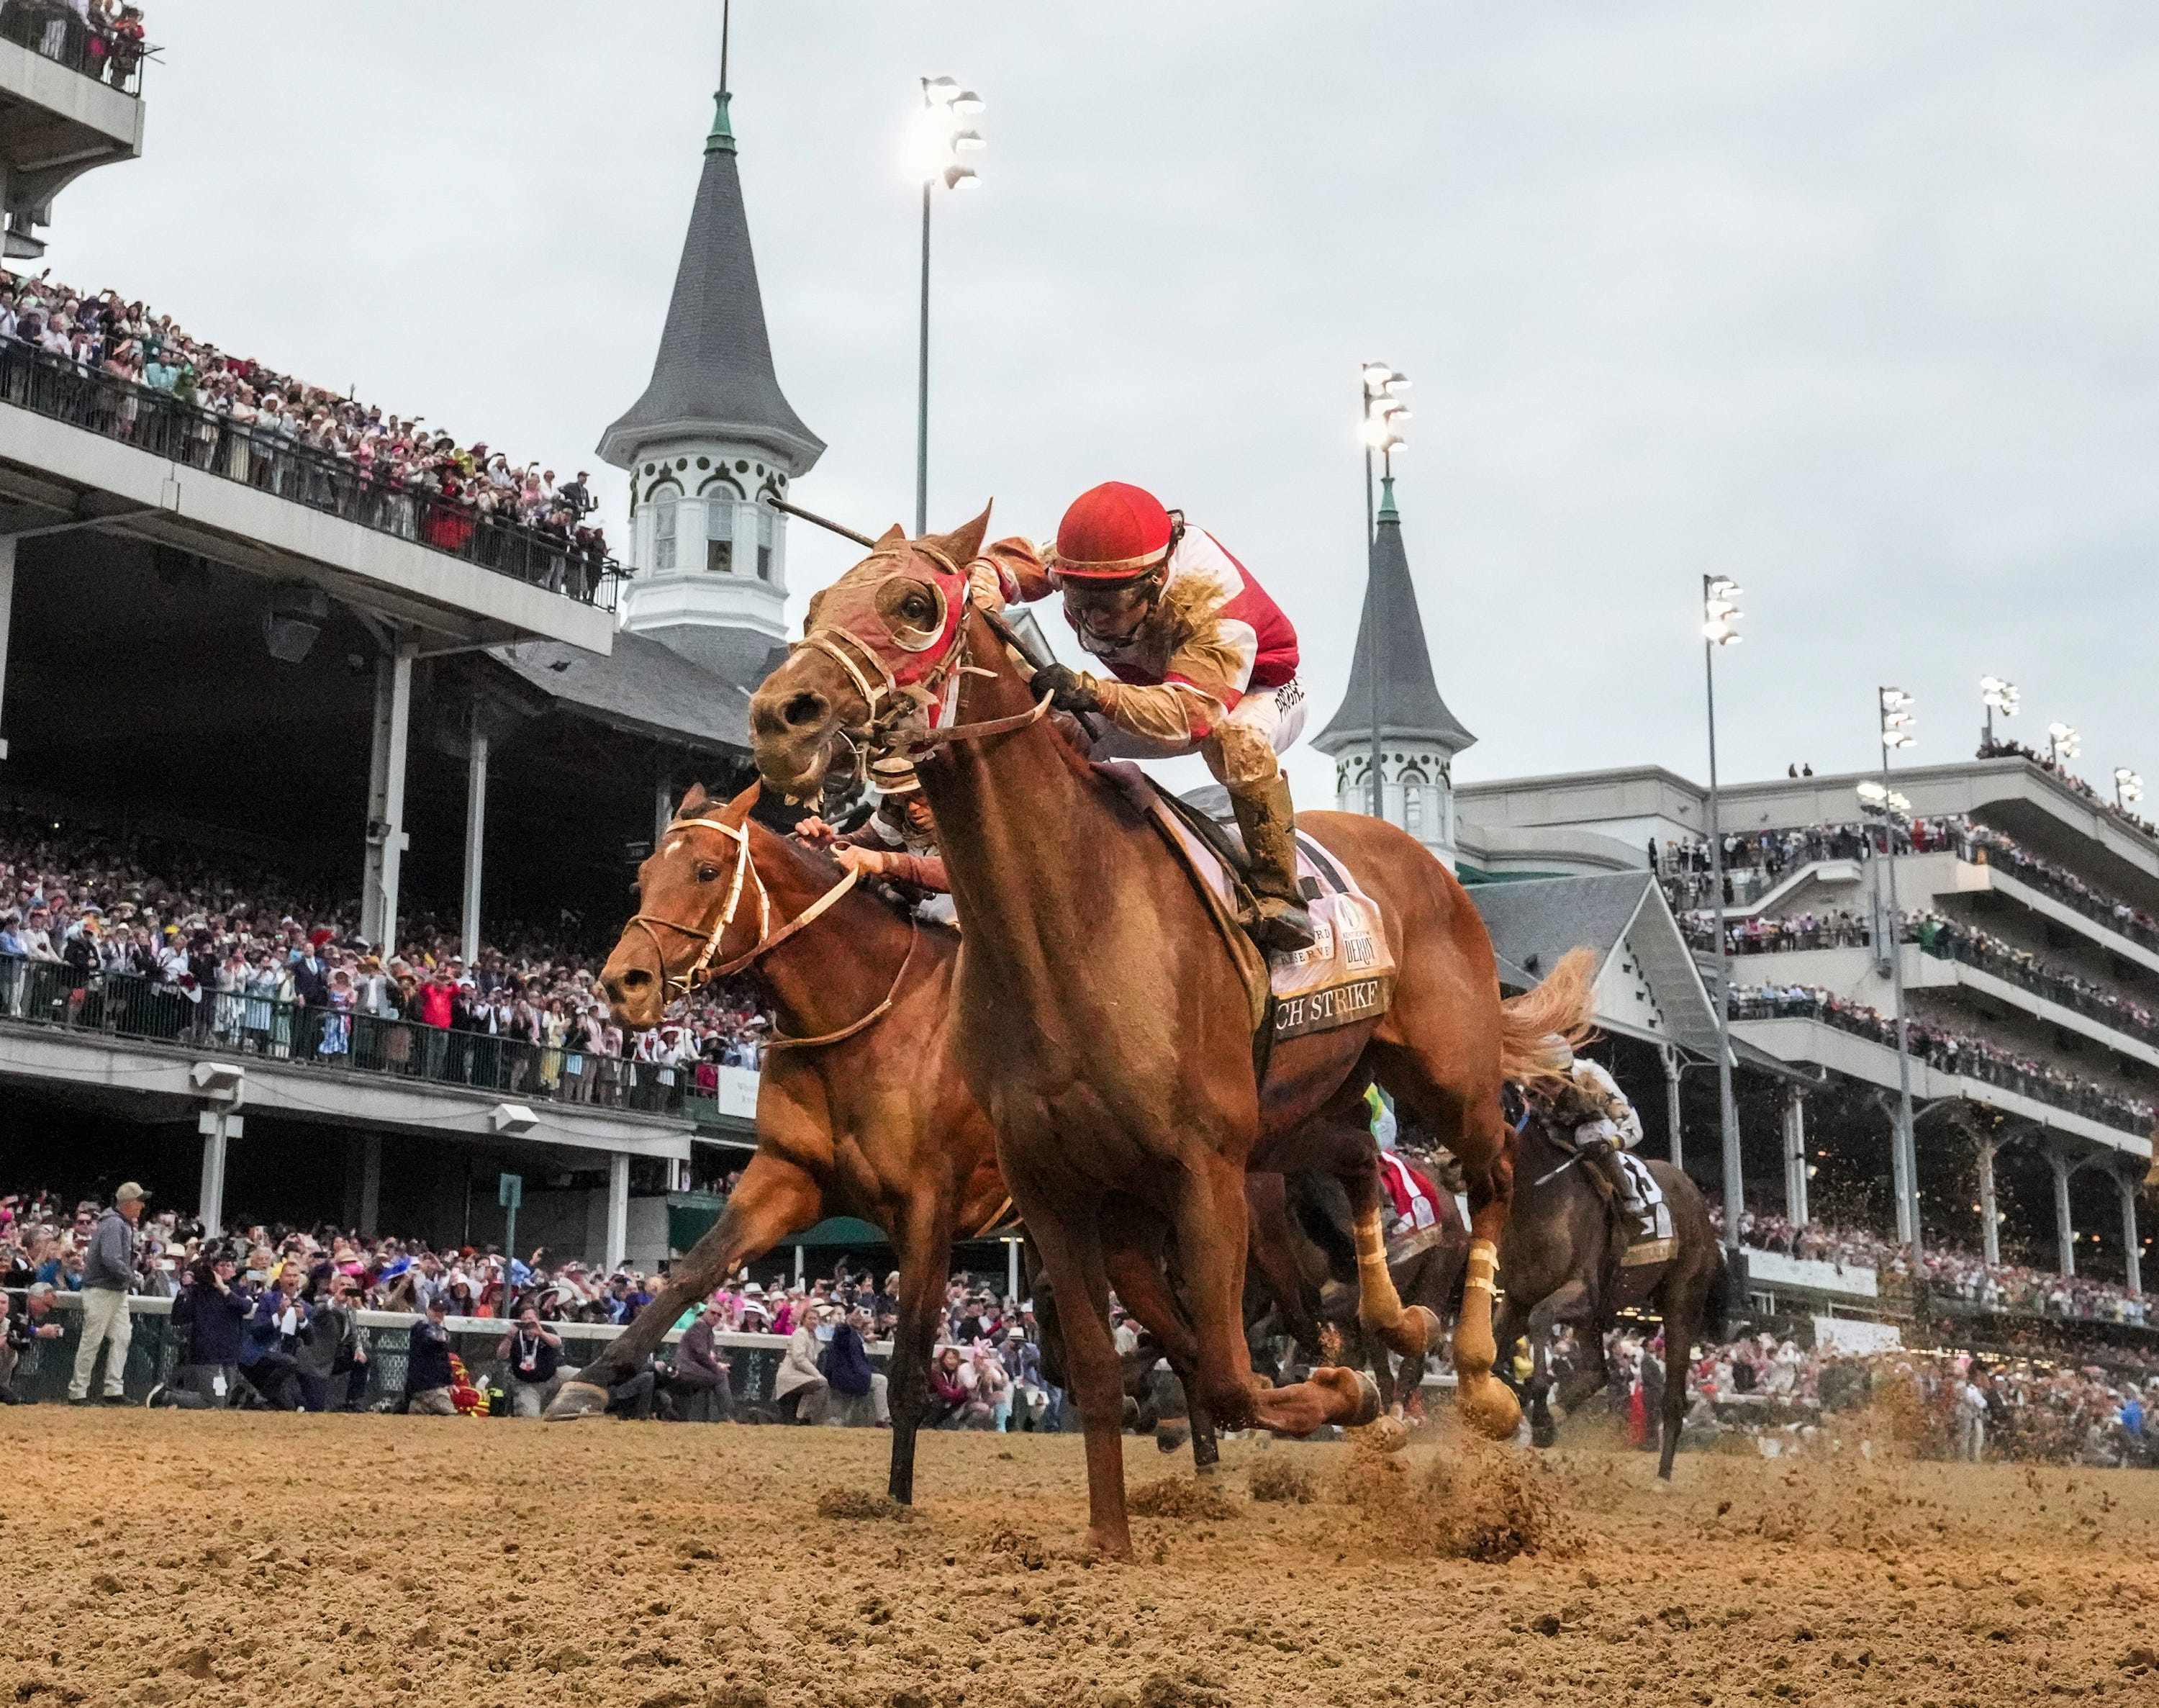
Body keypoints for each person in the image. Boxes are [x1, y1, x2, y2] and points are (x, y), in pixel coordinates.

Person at [977, 482, 1315, 950]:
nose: (1092, 618)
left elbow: (1193, 718)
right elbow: (1009, 563)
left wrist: (1095, 691)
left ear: (1154, 581)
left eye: (1107, 605)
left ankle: (1282, 894)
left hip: (1261, 691)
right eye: (1079, 601)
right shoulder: (1095, 566)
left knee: (1234, 738)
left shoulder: (1213, 599)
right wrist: (983, 585)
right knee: (1059, 730)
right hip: (1163, 688)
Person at [1522, 1036, 1658, 1246]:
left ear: (1568, 1073)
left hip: (1596, 1125)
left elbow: (1634, 1127)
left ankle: (1628, 1200)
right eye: (1542, 1081)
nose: (1548, 1090)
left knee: (1586, 1134)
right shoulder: (1524, 1081)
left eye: (1554, 1081)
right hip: (1553, 1129)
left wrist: (1609, 1144)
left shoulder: (1592, 1077)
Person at [796, 756, 952, 924]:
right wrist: (827, 845)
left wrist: (887, 862)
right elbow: (863, 844)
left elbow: (963, 871)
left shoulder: (973, 816)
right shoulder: (894, 811)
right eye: (900, 797)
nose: (912, 808)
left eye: (920, 794)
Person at [68, 1181, 145, 1404]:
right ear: (129, 1203)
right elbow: (110, 1259)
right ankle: (78, 1391)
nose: (141, 1205)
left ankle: (113, 1390)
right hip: (101, 1289)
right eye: (139, 1201)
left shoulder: (120, 1222)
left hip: (115, 1290)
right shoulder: (113, 1224)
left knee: (122, 1337)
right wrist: (131, 1276)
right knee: (92, 1341)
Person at [173, 1253, 251, 1406]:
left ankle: (171, 1395)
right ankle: (168, 1396)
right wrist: (184, 1290)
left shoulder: (239, 1291)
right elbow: (178, 1318)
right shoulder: (200, 1292)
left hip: (229, 1356)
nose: (224, 1269)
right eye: (220, 1265)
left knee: (224, 1400)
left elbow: (245, 1307)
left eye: (228, 1265)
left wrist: (223, 1288)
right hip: (207, 1356)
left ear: (234, 1271)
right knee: (214, 1402)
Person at [656, 1301, 731, 1422]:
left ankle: (668, 1412)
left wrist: (717, 1364)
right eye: (713, 1313)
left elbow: (705, 1355)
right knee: (721, 1376)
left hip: (686, 1369)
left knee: (681, 1410)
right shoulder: (700, 1326)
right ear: (706, 1312)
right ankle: (727, 1415)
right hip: (685, 1368)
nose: (715, 1316)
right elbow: (700, 1354)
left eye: (719, 1315)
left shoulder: (707, 1330)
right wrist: (716, 1367)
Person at [497, 1307, 566, 1418]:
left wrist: (541, 1333)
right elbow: (501, 1355)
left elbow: (557, 1343)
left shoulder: (546, 1329)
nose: (528, 1323)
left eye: (530, 1319)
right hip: (527, 1384)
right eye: (524, 1320)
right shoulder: (515, 1336)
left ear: (537, 1320)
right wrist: (509, 1338)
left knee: (580, 1375)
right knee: (530, 1416)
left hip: (553, 1376)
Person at [0, 1285, 63, 1402]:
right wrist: (38, 1331)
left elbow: (19, 1334)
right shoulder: (14, 1303)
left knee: (14, 1343)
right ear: (33, 1298)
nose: (47, 1310)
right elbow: (13, 1327)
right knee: (9, 1339)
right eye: (46, 1305)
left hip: (6, 1368)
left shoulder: (30, 1315)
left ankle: (7, 1387)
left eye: (4, 1303)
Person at [404, 1297, 457, 1415]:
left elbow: (444, 1361)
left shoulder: (443, 1331)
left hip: (430, 1390)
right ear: (428, 1310)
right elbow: (431, 1337)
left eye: (442, 1312)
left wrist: (449, 1382)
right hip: (427, 1389)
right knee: (453, 1418)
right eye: (435, 1311)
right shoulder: (420, 1328)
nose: (438, 1315)